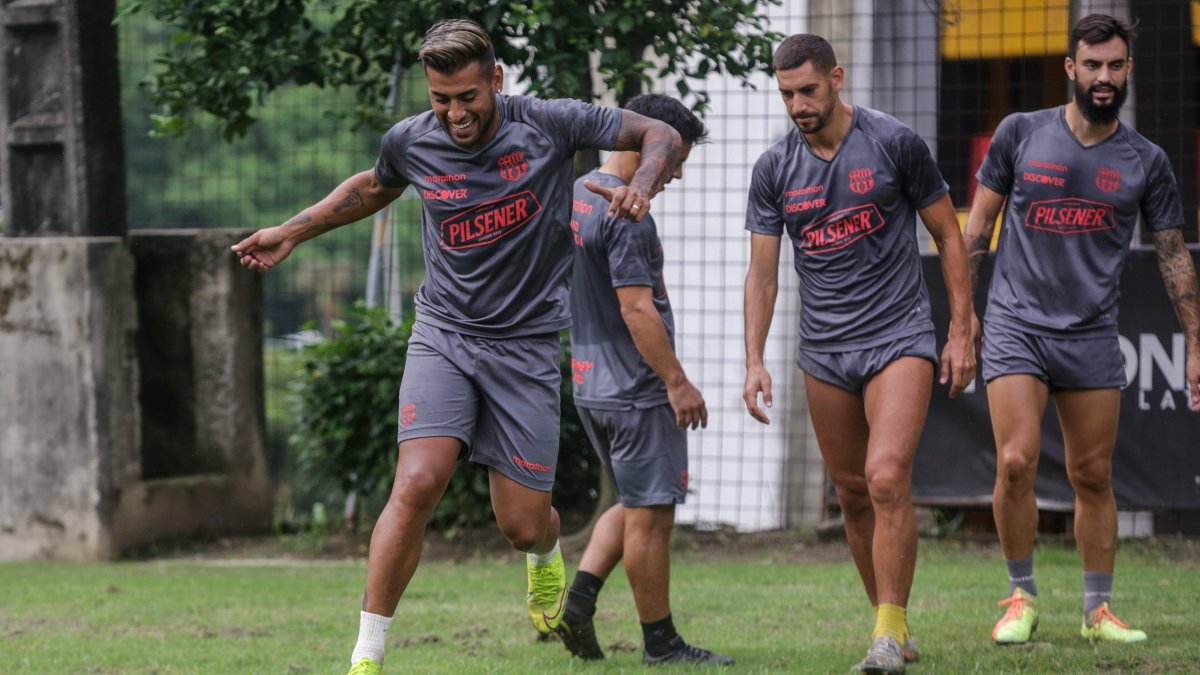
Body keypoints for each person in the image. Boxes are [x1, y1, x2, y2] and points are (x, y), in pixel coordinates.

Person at [230, 19, 683, 675]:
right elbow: (374, 185)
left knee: (522, 525)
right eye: (441, 99)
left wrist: (643, 182)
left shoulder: (550, 123)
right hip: (443, 334)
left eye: (468, 96)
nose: (455, 113)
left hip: (525, 346)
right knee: (416, 482)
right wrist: (292, 231)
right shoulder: (413, 140)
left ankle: (546, 551)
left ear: (495, 79)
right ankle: (367, 655)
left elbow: (658, 132)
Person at [742, 34, 976, 674]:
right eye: (787, 94)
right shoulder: (774, 168)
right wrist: (754, 359)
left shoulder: (894, 142)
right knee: (850, 492)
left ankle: (886, 638)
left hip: (899, 336)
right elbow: (762, 275)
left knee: (885, 477)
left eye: (808, 90)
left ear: (837, 78)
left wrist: (961, 328)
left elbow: (948, 234)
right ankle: (890, 624)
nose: (798, 105)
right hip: (824, 350)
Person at [964, 13, 1200, 647]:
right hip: (1016, 323)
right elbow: (976, 228)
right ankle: (1021, 596)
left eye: (1115, 66)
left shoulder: (1146, 160)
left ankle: (1098, 612)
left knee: (1093, 474)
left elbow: (1173, 255)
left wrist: (1196, 344)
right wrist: (964, 318)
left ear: (1128, 70)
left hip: (1092, 332)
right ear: (1070, 68)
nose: (1103, 77)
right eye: (1092, 65)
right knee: (1015, 460)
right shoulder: (1020, 133)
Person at [553, 94, 732, 666]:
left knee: (634, 503)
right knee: (652, 516)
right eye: (674, 158)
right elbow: (637, 309)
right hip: (635, 387)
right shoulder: (627, 212)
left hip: (591, 382)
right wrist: (677, 382)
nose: (674, 173)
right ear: (646, 142)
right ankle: (662, 643)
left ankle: (578, 604)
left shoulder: (577, 193)